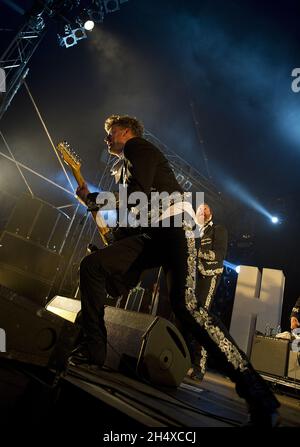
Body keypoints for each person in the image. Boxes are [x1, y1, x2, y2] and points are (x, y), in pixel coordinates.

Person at [70, 114, 280, 426]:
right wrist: (111, 238)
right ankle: (95, 352)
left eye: (111, 132)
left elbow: (134, 199)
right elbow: (134, 214)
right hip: (152, 232)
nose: (107, 138)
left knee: (187, 307)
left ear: (126, 132)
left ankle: (258, 393)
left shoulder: (137, 148)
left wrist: (93, 199)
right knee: (93, 267)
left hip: (176, 229)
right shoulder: (125, 164)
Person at [187, 203, 228, 380]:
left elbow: (218, 255)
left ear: (210, 213)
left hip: (208, 276)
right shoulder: (192, 230)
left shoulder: (218, 230)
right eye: (199, 209)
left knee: (201, 318)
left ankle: (199, 366)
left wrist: (196, 252)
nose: (201, 211)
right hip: (191, 276)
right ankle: (181, 358)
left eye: (205, 209)